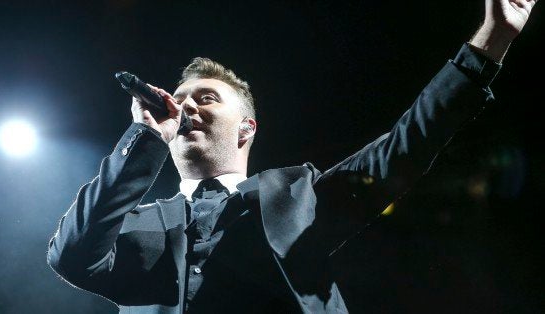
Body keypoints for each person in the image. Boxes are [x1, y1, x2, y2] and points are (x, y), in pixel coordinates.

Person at [47, 1, 538, 313]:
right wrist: (145, 136)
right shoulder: (135, 226)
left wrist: (490, 42)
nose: (188, 106)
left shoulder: (296, 195)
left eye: (208, 98)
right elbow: (71, 256)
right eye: (183, 98)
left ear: (247, 128)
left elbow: (403, 148)